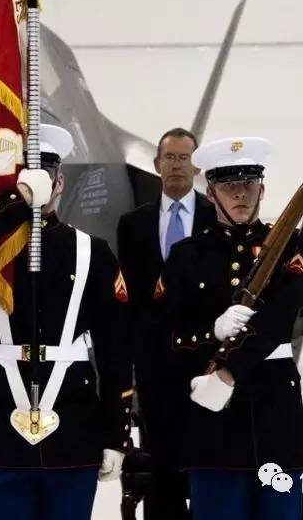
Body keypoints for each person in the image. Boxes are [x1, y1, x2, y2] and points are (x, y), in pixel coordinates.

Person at [0, 124, 133, 519]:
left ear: (60, 183)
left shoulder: (92, 252)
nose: (40, 186)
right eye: (27, 178)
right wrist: (15, 202)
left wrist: (115, 434)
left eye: (46, 176)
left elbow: (115, 349)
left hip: (71, 422)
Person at [160, 137, 303, 520]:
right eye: (229, 185)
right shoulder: (186, 256)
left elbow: (281, 316)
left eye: (249, 183)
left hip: (275, 416)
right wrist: (210, 332)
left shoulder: (294, 245)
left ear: (262, 189)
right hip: (212, 424)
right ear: (210, 194)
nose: (240, 194)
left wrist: (229, 372)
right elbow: (165, 333)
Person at [116, 127, 214, 520]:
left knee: (207, 462)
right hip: (154, 369)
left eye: (183, 158)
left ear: (197, 166)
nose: (176, 165)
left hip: (205, 364)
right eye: (169, 158)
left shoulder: (215, 216)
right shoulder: (132, 224)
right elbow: (131, 301)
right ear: (156, 164)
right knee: (160, 467)